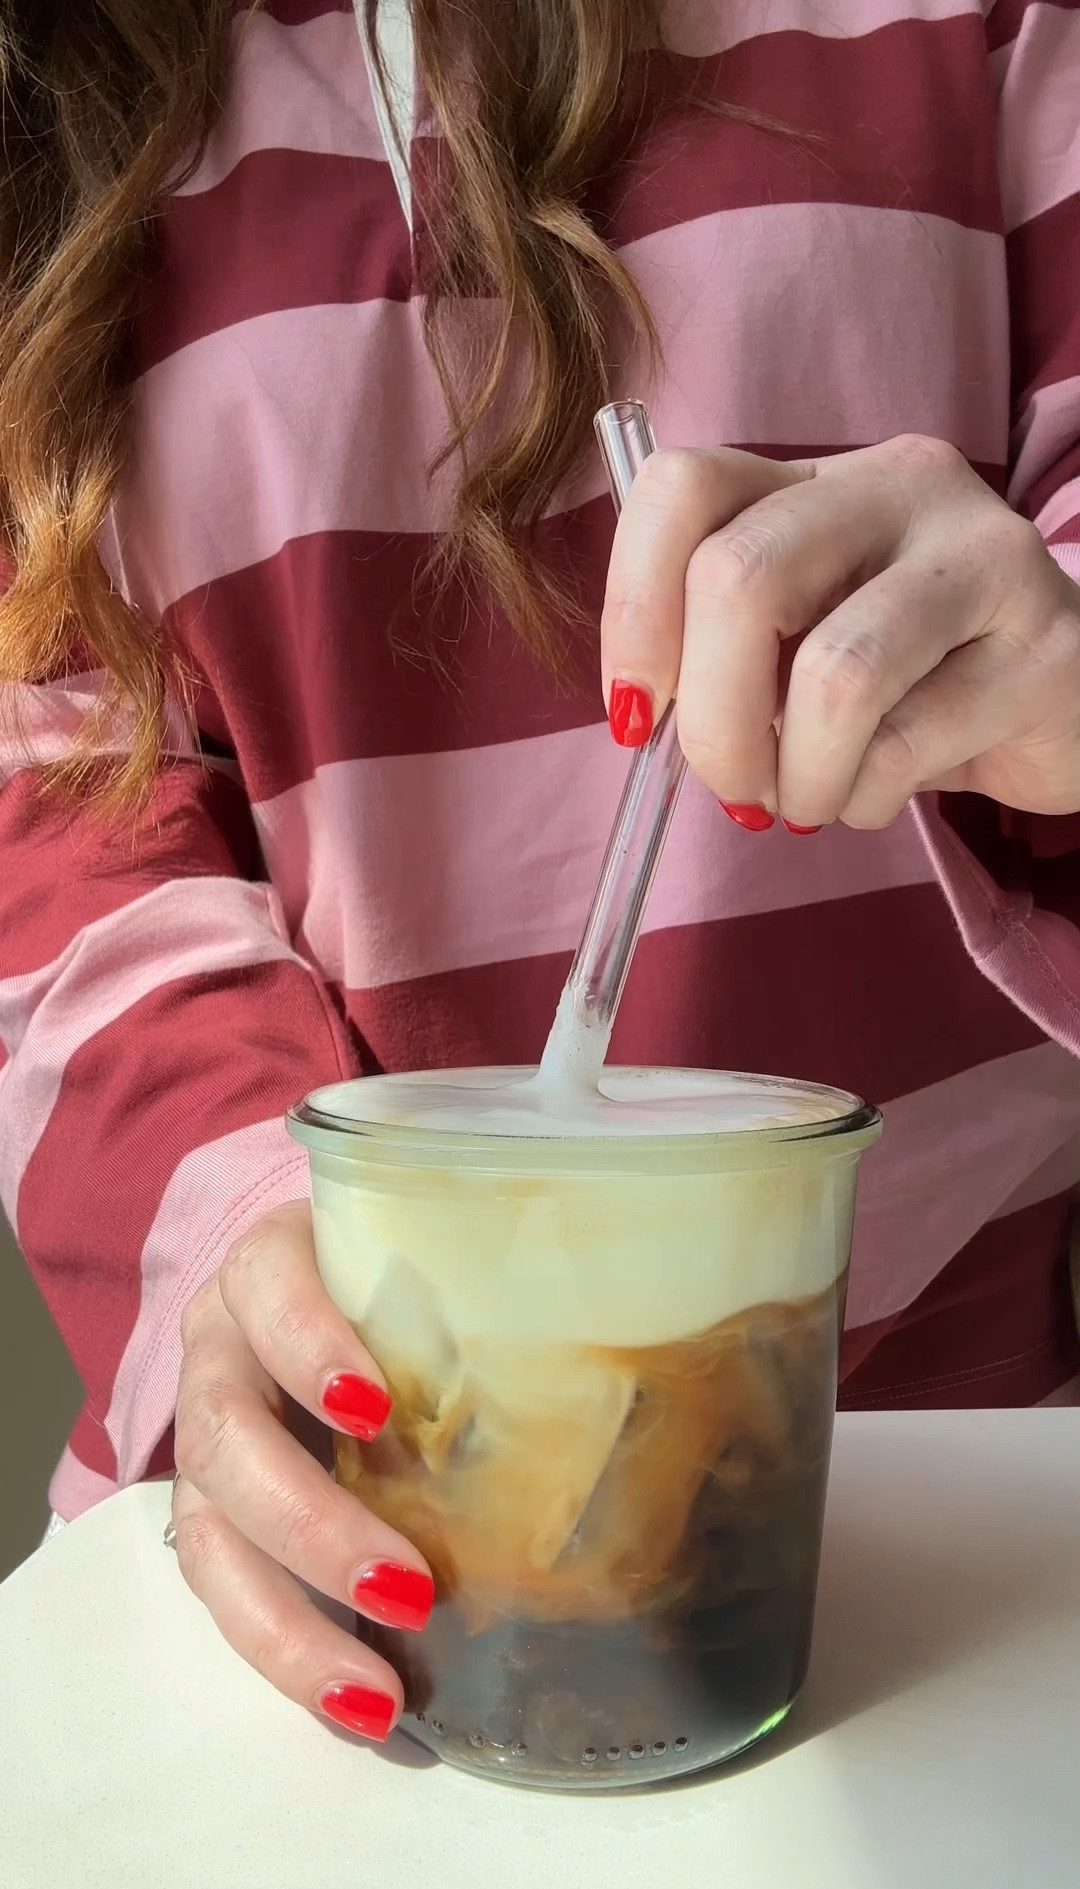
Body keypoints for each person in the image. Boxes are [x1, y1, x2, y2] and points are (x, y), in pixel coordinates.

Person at [2, 0, 1079, 1745]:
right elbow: (49, 789)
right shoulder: (56, 74)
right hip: (316, 1561)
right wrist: (232, 1241)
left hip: (974, 1575)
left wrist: (1058, 678)